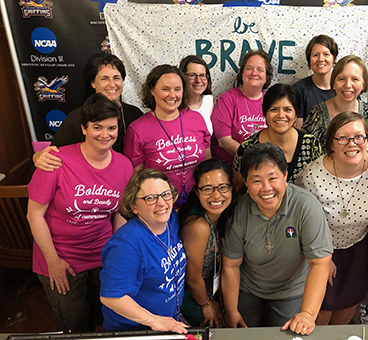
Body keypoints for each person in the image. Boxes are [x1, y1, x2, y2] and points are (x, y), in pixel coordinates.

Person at [26, 93, 133, 332]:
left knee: (106, 318)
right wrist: (52, 261)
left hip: (103, 254)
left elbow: (120, 214)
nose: (105, 135)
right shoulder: (55, 161)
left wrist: (118, 253)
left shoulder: (124, 165)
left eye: (111, 128)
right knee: (73, 325)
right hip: (60, 256)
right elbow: (34, 215)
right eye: (97, 127)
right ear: (84, 128)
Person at [222, 143, 332, 335]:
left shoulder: (306, 206)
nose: (266, 188)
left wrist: (307, 313)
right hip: (249, 286)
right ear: (246, 183)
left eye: (273, 178)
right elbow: (231, 265)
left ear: (285, 176)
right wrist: (231, 311)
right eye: (256, 181)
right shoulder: (239, 210)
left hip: (291, 287)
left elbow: (319, 263)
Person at [296, 112, 368, 325]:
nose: (351, 143)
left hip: (361, 247)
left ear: (367, 139)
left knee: (348, 305)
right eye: (342, 138)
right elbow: (304, 222)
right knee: (322, 311)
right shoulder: (311, 176)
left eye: (359, 137)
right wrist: (323, 257)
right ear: (331, 144)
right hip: (323, 250)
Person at [100, 169, 188, 332]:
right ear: (134, 206)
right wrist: (155, 321)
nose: (162, 203)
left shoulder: (171, 221)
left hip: (168, 321)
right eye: (150, 198)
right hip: (136, 328)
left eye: (166, 194)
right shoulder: (125, 245)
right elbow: (111, 297)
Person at [33, 54, 143, 171]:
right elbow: (52, 155)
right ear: (93, 83)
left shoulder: (135, 114)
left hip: (127, 181)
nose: (112, 84)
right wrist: (37, 157)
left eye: (116, 78)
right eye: (104, 78)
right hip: (89, 184)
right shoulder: (76, 117)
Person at [123, 64, 211, 206]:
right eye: (165, 89)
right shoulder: (137, 130)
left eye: (177, 89)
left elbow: (207, 161)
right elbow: (135, 179)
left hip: (198, 202)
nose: (172, 95)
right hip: (159, 207)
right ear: (152, 90)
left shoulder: (196, 119)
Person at [178, 159, 236, 327]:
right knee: (217, 324)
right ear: (197, 191)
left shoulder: (224, 216)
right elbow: (192, 277)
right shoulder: (199, 226)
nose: (216, 195)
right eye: (208, 189)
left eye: (223, 187)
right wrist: (206, 305)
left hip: (210, 288)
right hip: (188, 294)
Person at [233, 83, 322, 190]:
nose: (280, 115)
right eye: (274, 109)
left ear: (296, 115)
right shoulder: (247, 148)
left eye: (287, 109)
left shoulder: (311, 144)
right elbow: (238, 190)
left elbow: (320, 185)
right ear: (265, 114)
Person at [211, 49, 272, 167]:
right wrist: (253, 160)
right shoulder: (227, 99)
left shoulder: (272, 100)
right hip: (230, 167)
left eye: (260, 70)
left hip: (264, 166)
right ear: (242, 73)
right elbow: (224, 141)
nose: (254, 73)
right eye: (249, 68)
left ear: (266, 77)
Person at [303, 55, 368, 149]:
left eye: (355, 79)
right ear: (333, 84)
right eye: (342, 79)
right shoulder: (317, 114)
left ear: (363, 84)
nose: (348, 85)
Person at [292, 35, 338, 128]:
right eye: (315, 55)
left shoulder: (344, 87)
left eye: (326, 54)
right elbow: (298, 129)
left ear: (334, 58)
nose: (321, 59)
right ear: (309, 60)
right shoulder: (299, 89)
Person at [179, 55, 214, 135]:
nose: (198, 80)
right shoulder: (175, 105)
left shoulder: (208, 100)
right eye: (192, 75)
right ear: (182, 77)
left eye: (202, 75)